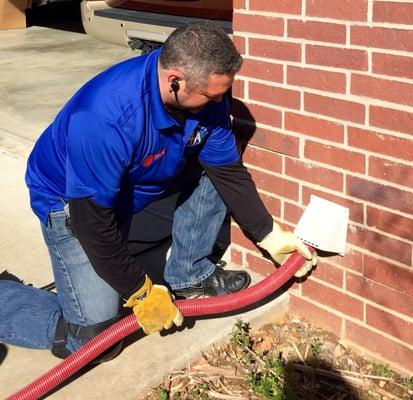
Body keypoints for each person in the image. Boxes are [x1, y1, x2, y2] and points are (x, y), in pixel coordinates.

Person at [0, 21, 316, 360]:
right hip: (70, 202)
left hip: (133, 184)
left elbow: (227, 171)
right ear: (175, 81)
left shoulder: (206, 95)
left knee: (211, 172)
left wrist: (268, 234)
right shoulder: (106, 118)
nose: (221, 101)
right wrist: (141, 291)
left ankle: (189, 273)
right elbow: (91, 223)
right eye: (212, 95)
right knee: (96, 340)